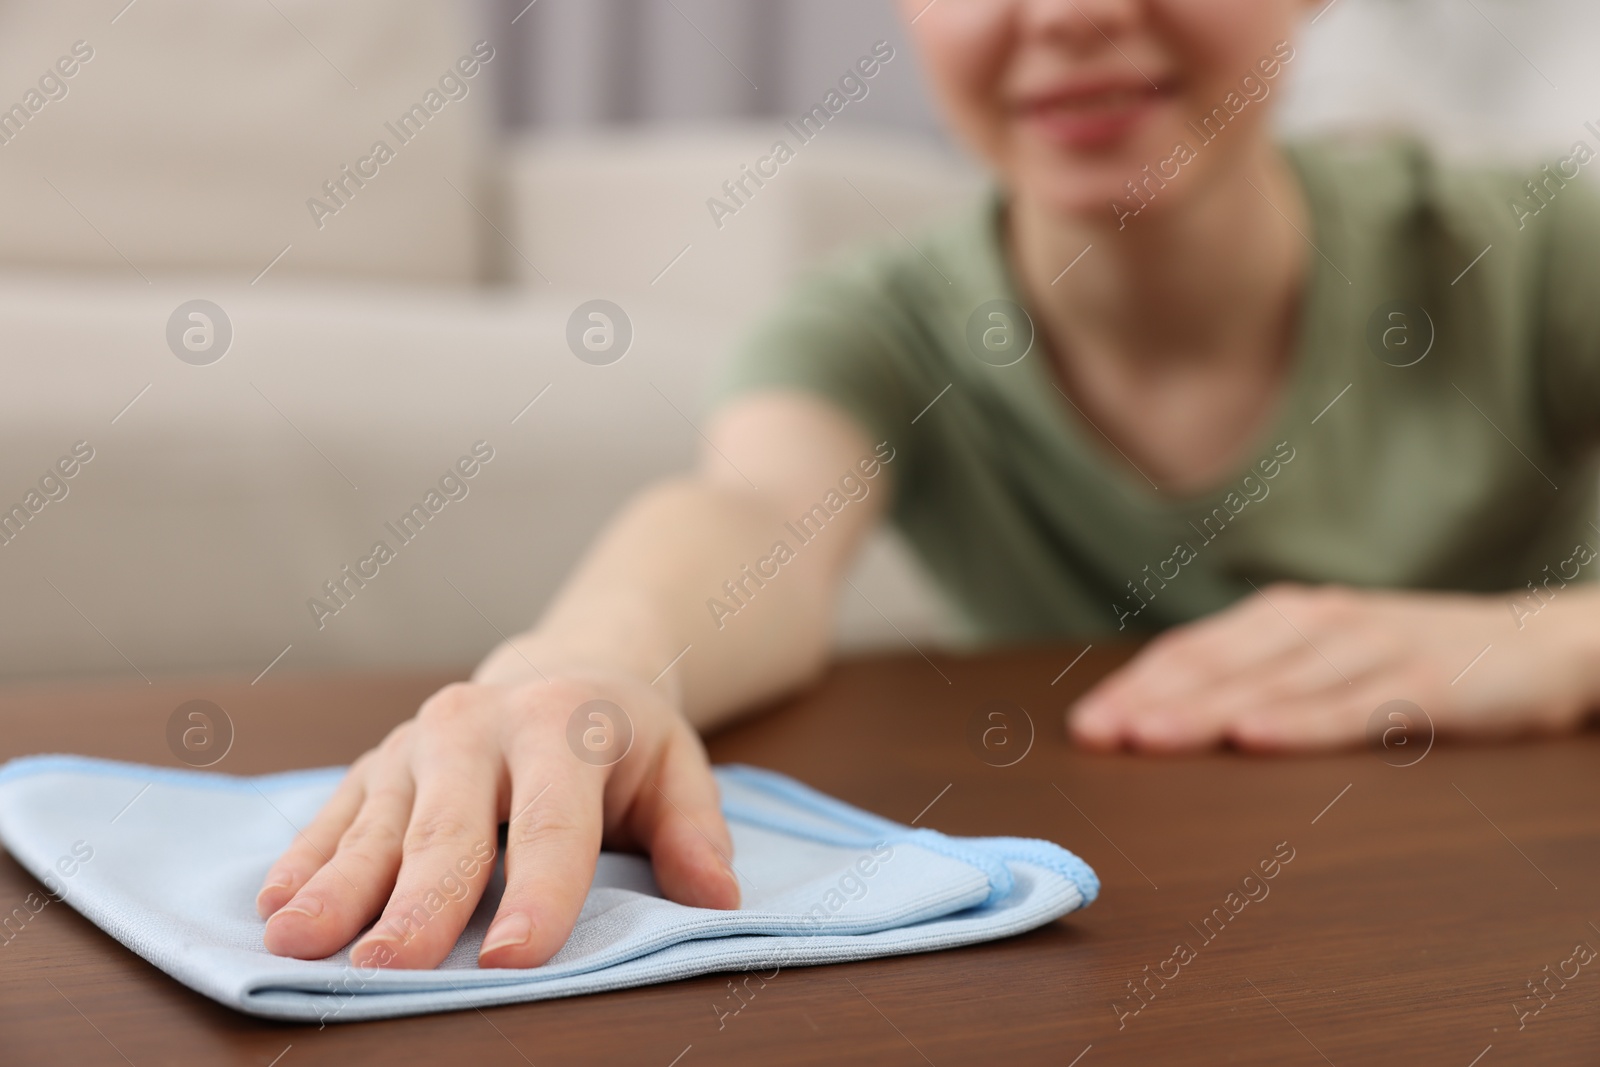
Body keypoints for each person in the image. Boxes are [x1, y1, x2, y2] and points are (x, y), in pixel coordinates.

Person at [256, 0, 1600, 971]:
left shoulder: (1541, 247)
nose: (1070, 15)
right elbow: (754, 518)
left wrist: (1554, 640)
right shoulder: (879, 326)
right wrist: (585, 668)